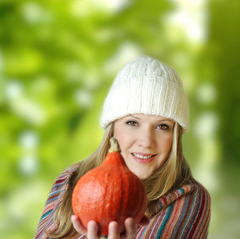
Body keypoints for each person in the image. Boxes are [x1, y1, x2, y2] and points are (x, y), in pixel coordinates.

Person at [35, 55, 211, 239]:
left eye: (162, 126)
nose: (146, 141)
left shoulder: (190, 198)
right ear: (112, 128)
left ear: (174, 137)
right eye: (132, 122)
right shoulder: (70, 178)